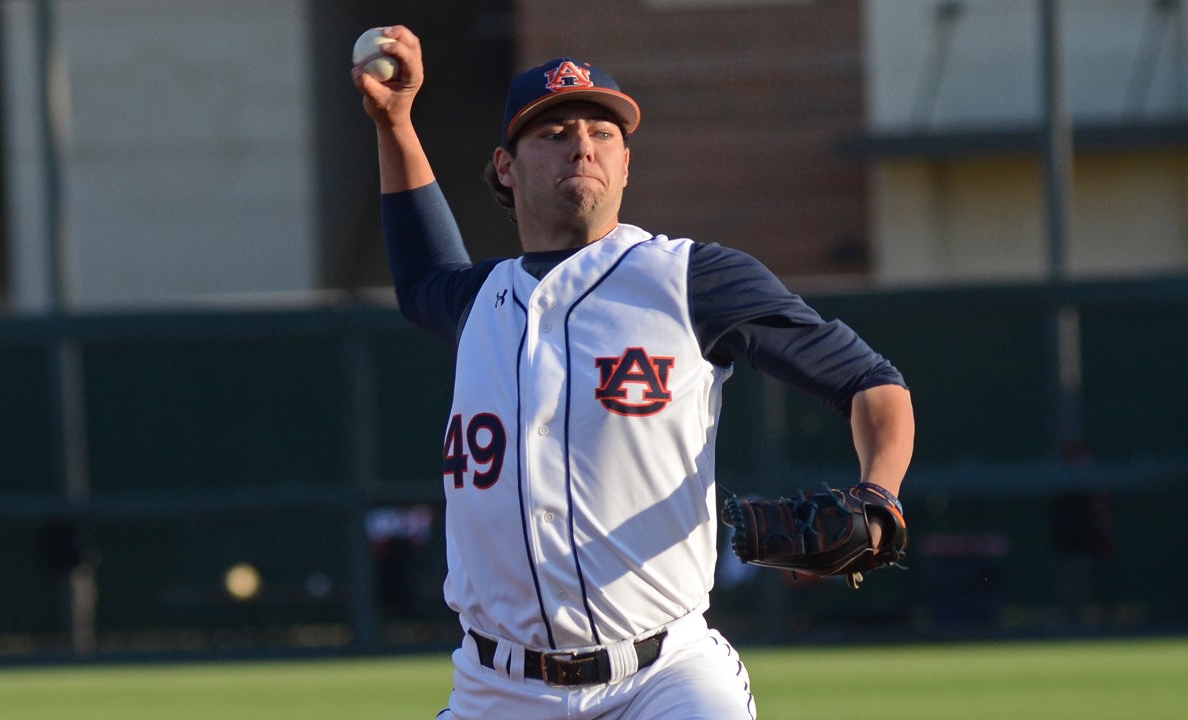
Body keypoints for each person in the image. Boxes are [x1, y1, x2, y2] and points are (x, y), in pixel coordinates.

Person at [352, 26, 914, 720]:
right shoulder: (475, 305)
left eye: (602, 132)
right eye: (553, 132)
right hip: (496, 690)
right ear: (505, 167)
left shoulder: (690, 279)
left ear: (626, 165)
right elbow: (421, 271)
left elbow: (872, 384)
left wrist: (878, 496)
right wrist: (396, 121)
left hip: (664, 678)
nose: (582, 144)